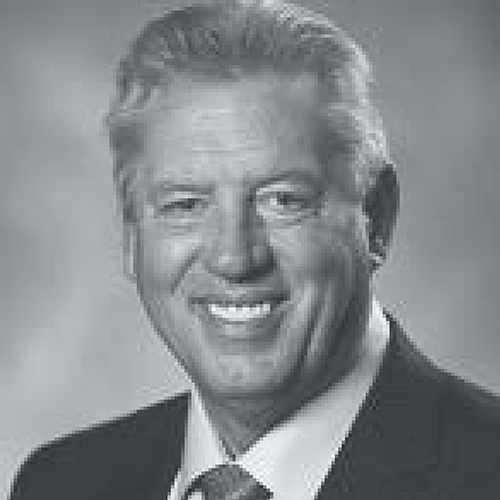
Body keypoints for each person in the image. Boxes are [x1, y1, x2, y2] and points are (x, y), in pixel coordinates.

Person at [9, 0, 500, 498]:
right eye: (185, 205)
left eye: (283, 200)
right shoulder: (60, 483)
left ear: (376, 218)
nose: (234, 259)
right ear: (132, 236)